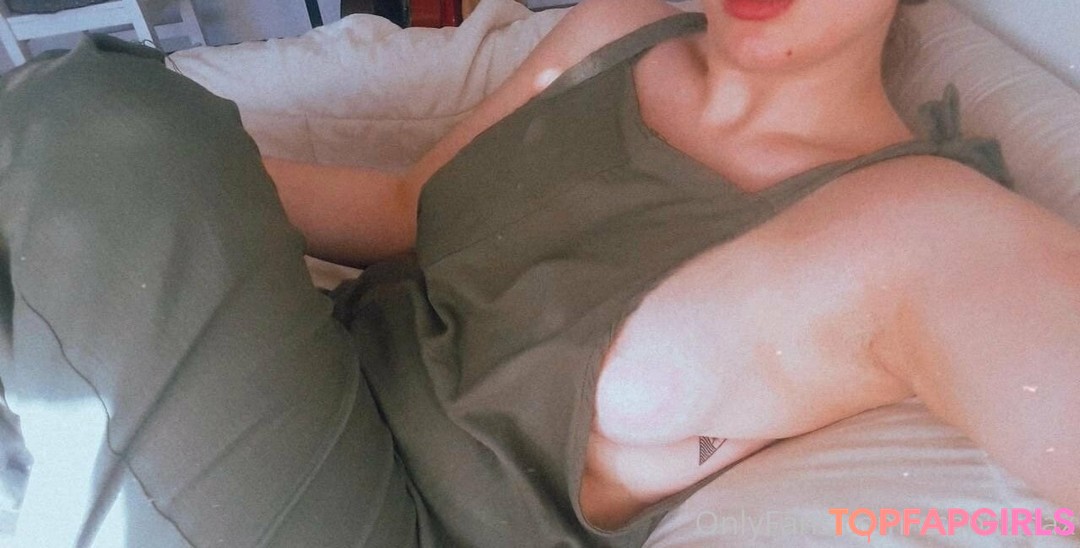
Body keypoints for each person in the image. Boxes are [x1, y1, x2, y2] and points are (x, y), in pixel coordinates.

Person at [0, 0, 1076, 546]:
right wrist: (188, 178)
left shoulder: (928, 230)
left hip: (393, 525)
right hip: (305, 369)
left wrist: (128, 162)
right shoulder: (620, 30)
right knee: (120, 110)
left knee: (98, 108)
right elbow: (405, 210)